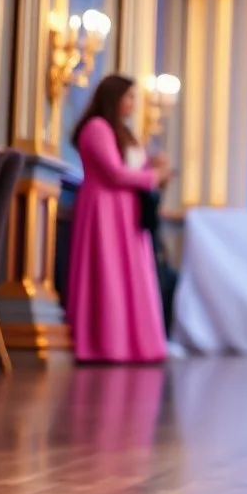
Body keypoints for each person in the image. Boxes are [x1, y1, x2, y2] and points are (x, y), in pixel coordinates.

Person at [67, 74, 172, 363]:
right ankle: (106, 344)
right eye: (129, 97)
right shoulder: (97, 128)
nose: (134, 103)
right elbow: (114, 172)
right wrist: (152, 176)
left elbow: (130, 168)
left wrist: (153, 167)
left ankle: (134, 344)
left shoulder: (122, 131)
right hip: (104, 210)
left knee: (131, 277)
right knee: (108, 274)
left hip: (126, 212)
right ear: (113, 98)